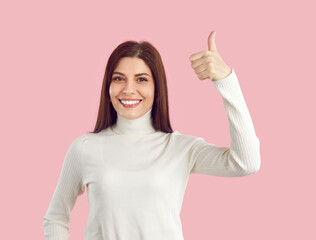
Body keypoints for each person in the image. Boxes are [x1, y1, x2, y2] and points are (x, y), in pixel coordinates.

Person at [42, 30, 261, 240]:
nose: (128, 89)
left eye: (141, 79)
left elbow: (246, 163)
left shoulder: (180, 148)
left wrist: (226, 81)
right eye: (118, 78)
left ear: (158, 90)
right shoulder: (84, 148)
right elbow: (55, 218)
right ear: (108, 87)